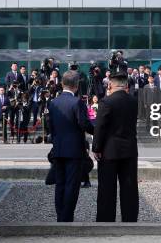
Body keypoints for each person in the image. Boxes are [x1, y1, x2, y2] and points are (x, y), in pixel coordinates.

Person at [92, 71, 139, 223]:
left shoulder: (106, 102)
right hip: (130, 150)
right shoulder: (133, 101)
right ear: (126, 85)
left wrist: (96, 148)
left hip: (109, 151)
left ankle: (106, 220)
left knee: (107, 189)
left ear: (110, 84)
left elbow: (100, 127)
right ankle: (130, 219)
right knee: (129, 188)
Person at [48, 70, 94, 222]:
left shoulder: (53, 102)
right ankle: (66, 218)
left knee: (60, 184)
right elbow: (84, 124)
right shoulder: (77, 102)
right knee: (71, 185)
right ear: (76, 86)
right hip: (74, 151)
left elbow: (51, 127)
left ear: (62, 84)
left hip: (58, 149)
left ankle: (60, 215)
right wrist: (98, 129)